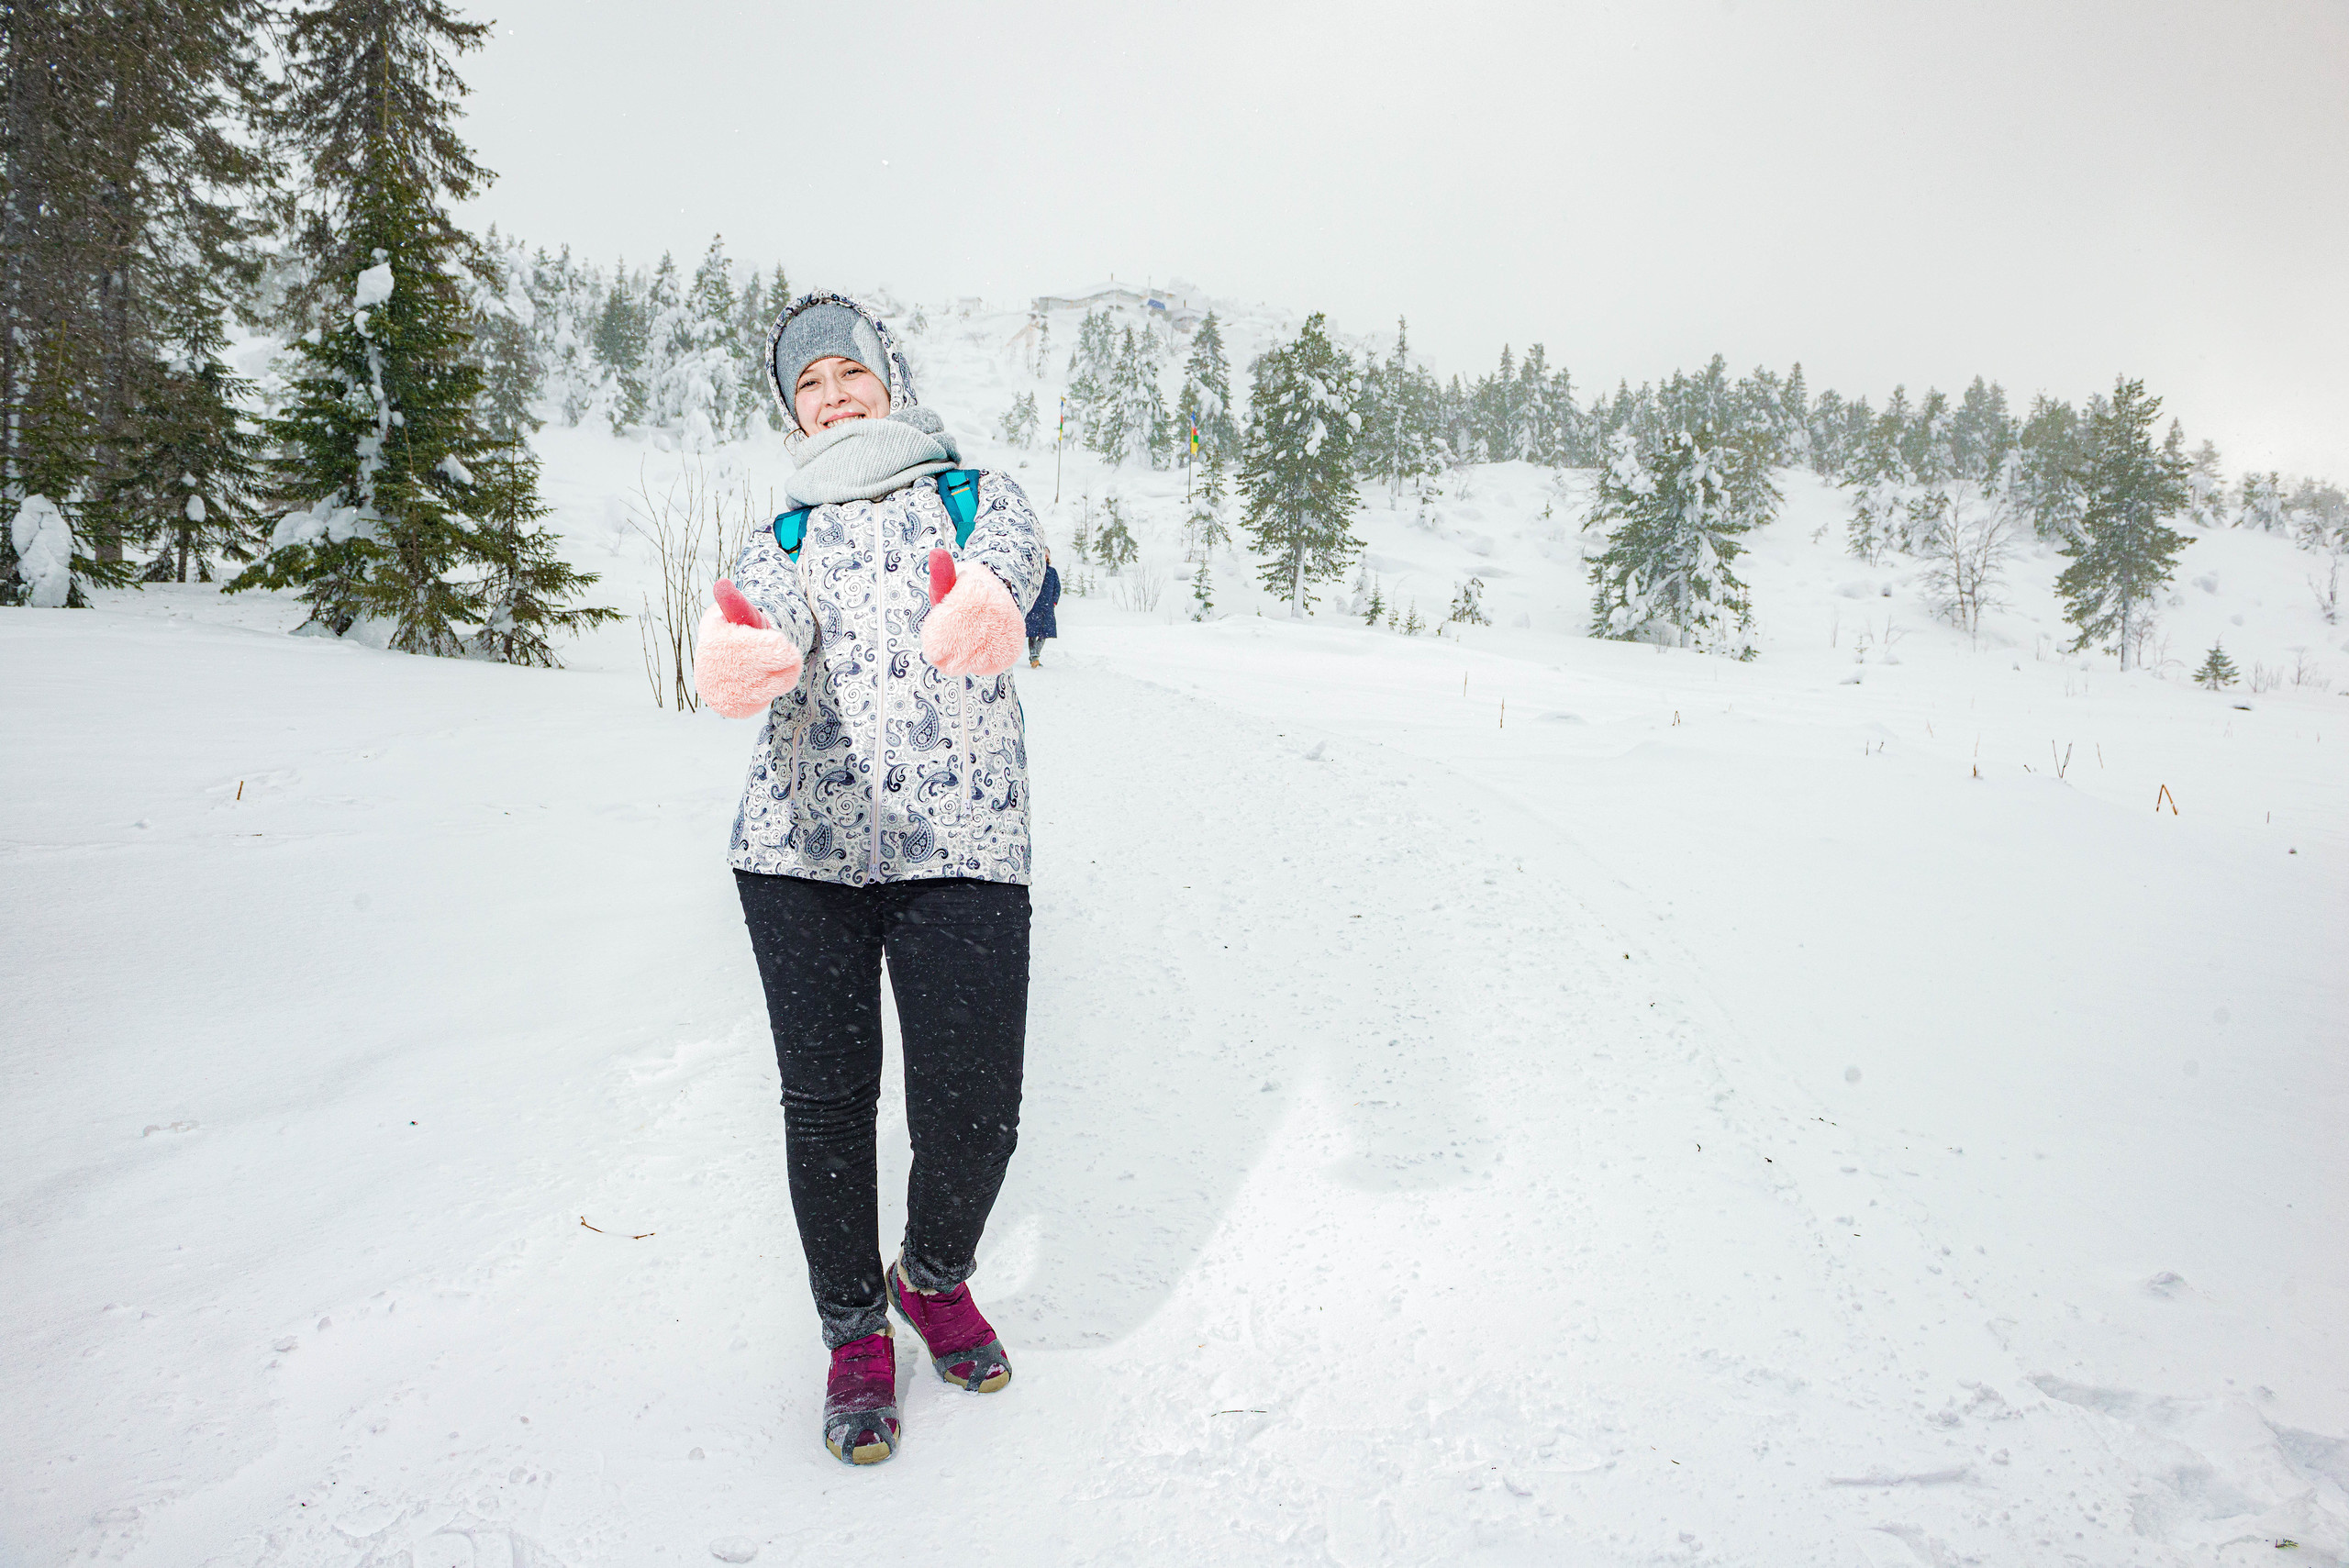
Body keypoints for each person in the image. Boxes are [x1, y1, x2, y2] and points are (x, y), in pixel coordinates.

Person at [692, 293, 1043, 1467]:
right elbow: (759, 609)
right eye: (811, 387)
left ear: (888, 379)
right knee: (829, 1109)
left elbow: (1009, 561)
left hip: (965, 843)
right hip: (800, 855)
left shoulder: (973, 490)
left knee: (975, 1112)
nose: (834, 397)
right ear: (792, 411)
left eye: (850, 375)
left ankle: (931, 1277)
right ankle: (854, 1335)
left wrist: (988, 602)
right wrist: (745, 647)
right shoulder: (782, 530)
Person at [1025, 548, 1060, 667]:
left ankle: (1035, 656)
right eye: (1042, 555)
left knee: (1044, 633)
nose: (1044, 558)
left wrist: (1054, 602)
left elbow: (1057, 588)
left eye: (1046, 556)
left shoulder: (1052, 572)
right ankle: (1034, 657)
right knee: (1032, 633)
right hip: (1034, 606)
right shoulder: (1033, 570)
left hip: (1047, 608)